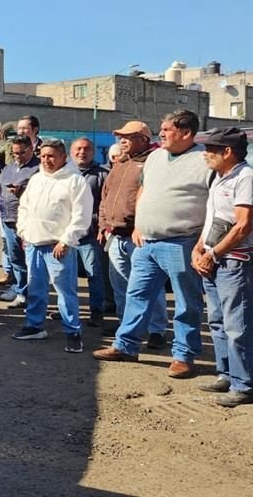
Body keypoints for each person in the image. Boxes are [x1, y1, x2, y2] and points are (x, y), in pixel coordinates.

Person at [94, 110, 210, 379]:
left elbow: (215, 204)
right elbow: (145, 189)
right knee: (137, 295)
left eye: (167, 129)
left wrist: (202, 241)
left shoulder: (204, 160)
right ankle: (126, 345)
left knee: (186, 302)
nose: (162, 133)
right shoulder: (157, 156)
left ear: (186, 133)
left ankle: (184, 355)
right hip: (146, 241)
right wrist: (139, 224)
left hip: (183, 241)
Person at [191, 127, 253, 407]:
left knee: (236, 324)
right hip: (215, 259)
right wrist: (199, 247)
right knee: (217, 320)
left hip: (234, 262)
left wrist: (213, 253)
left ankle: (244, 384)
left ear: (227, 152)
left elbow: (243, 225)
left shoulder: (246, 177)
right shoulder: (219, 177)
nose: (205, 155)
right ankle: (225, 374)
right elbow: (214, 218)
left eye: (210, 150)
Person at [14, 139, 93, 353]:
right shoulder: (37, 179)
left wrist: (66, 240)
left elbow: (81, 216)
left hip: (59, 247)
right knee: (36, 288)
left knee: (66, 292)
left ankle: (72, 332)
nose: (47, 160)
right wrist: (23, 232)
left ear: (63, 157)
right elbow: (24, 208)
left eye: (52, 156)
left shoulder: (75, 181)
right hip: (33, 244)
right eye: (44, 156)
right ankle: (34, 326)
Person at [96, 121, 167, 345]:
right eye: (120, 137)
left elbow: (155, 199)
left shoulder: (153, 163)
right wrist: (103, 226)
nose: (122, 141)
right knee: (121, 285)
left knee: (150, 286)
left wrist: (141, 226)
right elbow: (105, 197)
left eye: (128, 136)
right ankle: (126, 324)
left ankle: (157, 330)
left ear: (144, 139)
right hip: (115, 236)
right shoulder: (119, 164)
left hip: (140, 237)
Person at [0, 136, 40, 308]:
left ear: (30, 149)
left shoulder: (38, 168)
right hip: (7, 220)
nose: (18, 156)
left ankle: (34, 297)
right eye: (14, 153)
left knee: (32, 262)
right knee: (15, 260)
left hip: (28, 222)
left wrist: (21, 191)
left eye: (22, 152)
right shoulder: (9, 168)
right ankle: (21, 293)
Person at [70, 137, 110, 327]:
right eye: (78, 149)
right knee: (67, 275)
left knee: (94, 274)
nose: (82, 152)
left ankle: (97, 311)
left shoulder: (103, 174)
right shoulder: (65, 173)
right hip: (67, 235)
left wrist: (101, 227)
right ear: (71, 152)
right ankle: (70, 309)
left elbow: (106, 203)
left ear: (93, 152)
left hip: (89, 235)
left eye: (86, 149)